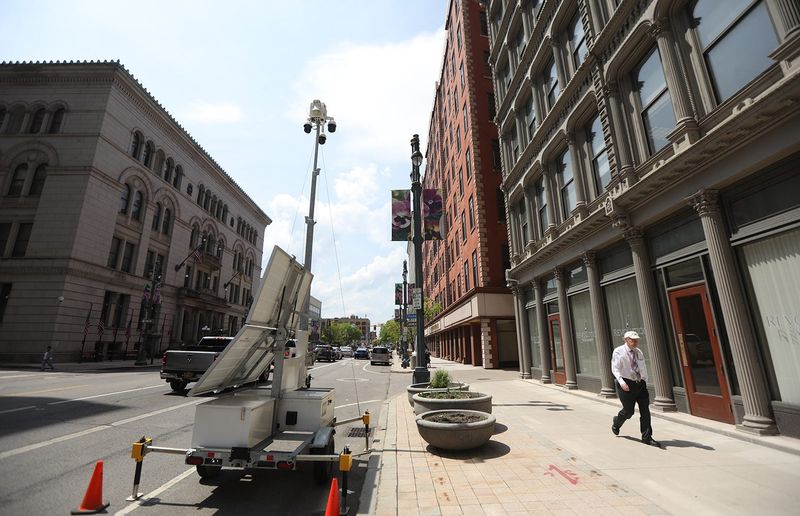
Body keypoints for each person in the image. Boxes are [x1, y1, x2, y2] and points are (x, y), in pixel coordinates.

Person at [611, 331, 660, 447]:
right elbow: (615, 369)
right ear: (626, 340)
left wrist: (644, 380)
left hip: (640, 384)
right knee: (629, 411)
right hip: (626, 384)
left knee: (645, 411)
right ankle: (617, 422)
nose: (635, 342)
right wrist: (622, 382)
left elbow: (642, 367)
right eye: (632, 340)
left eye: (636, 340)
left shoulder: (639, 352)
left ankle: (647, 437)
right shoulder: (618, 351)